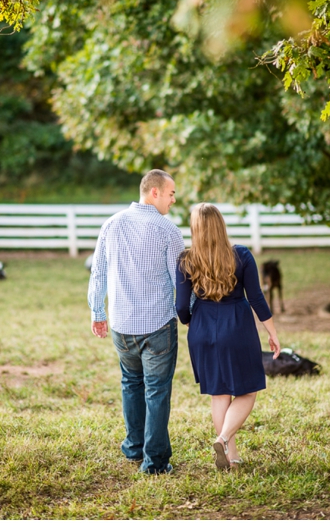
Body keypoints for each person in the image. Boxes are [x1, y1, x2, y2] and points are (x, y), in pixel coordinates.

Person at [87, 169, 184, 475]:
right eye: (170, 193)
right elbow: (181, 282)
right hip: (157, 325)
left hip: (122, 324)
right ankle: (153, 462)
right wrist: (189, 314)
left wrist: (97, 313)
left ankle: (133, 446)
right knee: (156, 390)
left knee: (131, 383)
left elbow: (98, 273)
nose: (173, 199)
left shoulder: (111, 224)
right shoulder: (168, 230)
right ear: (154, 192)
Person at [175, 203, 280, 470]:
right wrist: (272, 332)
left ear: (195, 228)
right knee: (248, 390)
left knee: (219, 394)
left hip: (202, 328)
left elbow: (180, 306)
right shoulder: (241, 255)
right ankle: (223, 440)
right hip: (237, 327)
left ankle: (231, 456)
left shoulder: (186, 260)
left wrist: (191, 323)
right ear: (221, 225)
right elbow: (256, 298)